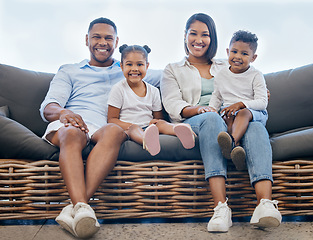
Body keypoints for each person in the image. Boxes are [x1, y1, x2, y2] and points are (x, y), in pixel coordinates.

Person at [39, 18, 161, 238]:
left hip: (103, 129)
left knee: (116, 131)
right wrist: (64, 112)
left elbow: (170, 76)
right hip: (72, 123)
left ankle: (76, 208)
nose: (102, 42)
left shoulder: (129, 68)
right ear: (87, 40)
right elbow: (49, 107)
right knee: (73, 132)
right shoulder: (70, 71)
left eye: (108, 38)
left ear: (116, 42)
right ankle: (83, 207)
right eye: (97, 37)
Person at [160, 13, 282, 233]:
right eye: (193, 33)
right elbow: (172, 104)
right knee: (211, 118)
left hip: (229, 119)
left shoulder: (226, 65)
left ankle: (264, 204)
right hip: (198, 120)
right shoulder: (172, 69)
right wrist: (201, 109)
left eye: (205, 34)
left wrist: (253, 101)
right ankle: (221, 207)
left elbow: (247, 84)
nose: (199, 39)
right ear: (185, 36)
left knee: (254, 125)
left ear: (212, 38)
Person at [107, 44, 196, 156]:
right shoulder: (118, 89)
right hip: (129, 128)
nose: (134, 69)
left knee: (161, 123)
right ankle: (147, 141)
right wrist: (133, 125)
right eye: (129, 64)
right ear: (121, 66)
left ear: (147, 66)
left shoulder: (153, 91)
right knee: (134, 129)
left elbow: (158, 117)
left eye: (140, 64)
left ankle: (180, 131)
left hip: (149, 128)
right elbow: (111, 119)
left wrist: (155, 122)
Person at [209, 30, 268, 171]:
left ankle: (232, 143)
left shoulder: (256, 75)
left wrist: (241, 104)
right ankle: (237, 155)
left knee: (243, 113)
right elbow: (217, 96)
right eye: (234, 52)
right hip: (230, 111)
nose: (238, 57)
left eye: (244, 54)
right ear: (228, 51)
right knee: (227, 117)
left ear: (253, 58)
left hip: (253, 113)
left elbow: (262, 101)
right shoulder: (221, 75)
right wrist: (211, 110)